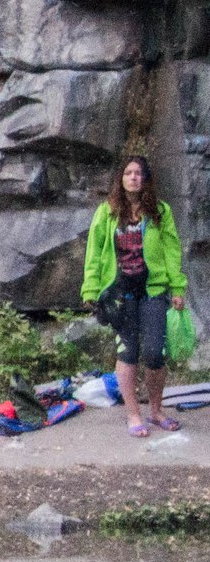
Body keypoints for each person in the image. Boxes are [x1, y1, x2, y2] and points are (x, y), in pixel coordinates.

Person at [81, 154, 189, 437]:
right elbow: (94, 252)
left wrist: (177, 289)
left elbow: (172, 251)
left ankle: (156, 411)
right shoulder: (107, 212)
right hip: (120, 294)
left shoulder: (160, 212)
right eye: (128, 173)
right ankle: (133, 414)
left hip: (153, 291)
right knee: (127, 352)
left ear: (145, 179)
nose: (133, 178)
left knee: (155, 353)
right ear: (121, 178)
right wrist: (91, 289)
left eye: (138, 173)